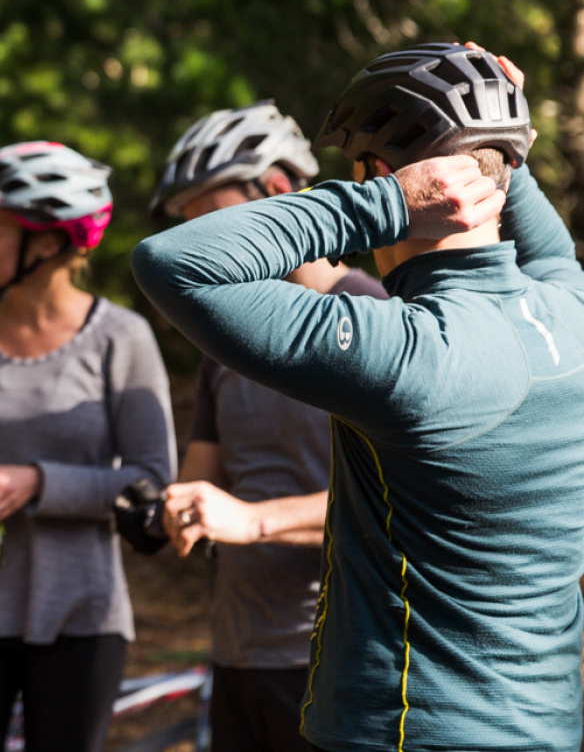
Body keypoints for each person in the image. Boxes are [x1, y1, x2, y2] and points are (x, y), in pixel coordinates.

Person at [132, 42, 584, 752]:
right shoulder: (570, 309)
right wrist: (502, 142)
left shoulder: (404, 348)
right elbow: (546, 242)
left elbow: (172, 262)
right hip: (546, 727)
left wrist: (391, 203)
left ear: (380, 178)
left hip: (403, 729)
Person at [0, 141, 176, 752]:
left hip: (82, 616)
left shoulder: (122, 338)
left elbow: (152, 478)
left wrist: (39, 483)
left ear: (52, 243)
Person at [148, 101, 386, 752]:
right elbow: (203, 482)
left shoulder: (376, 317)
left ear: (278, 190)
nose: (200, 243)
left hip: (338, 663)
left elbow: (404, 502)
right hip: (236, 656)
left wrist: (252, 520)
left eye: (209, 217)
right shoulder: (226, 342)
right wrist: (167, 509)